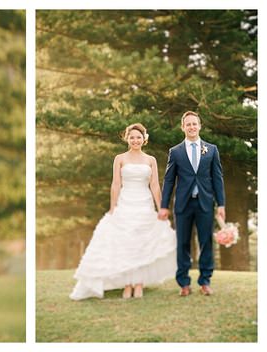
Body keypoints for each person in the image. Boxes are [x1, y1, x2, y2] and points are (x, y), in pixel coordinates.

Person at [70, 123, 177, 300]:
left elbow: (155, 185)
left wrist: (161, 208)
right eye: (132, 137)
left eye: (138, 137)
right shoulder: (120, 158)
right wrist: (113, 207)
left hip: (144, 204)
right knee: (126, 243)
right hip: (126, 203)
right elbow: (116, 184)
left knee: (142, 243)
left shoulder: (150, 160)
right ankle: (128, 285)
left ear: (144, 139)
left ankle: (139, 284)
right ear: (127, 139)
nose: (135, 140)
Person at [158, 111, 226, 297]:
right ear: (183, 127)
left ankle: (205, 281)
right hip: (183, 204)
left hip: (205, 203)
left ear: (200, 125)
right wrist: (164, 205)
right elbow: (169, 180)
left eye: (194, 124)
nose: (192, 127)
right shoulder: (176, 151)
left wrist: (221, 204)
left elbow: (217, 178)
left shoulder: (211, 150)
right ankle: (184, 283)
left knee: (206, 242)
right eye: (188, 124)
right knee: (183, 244)